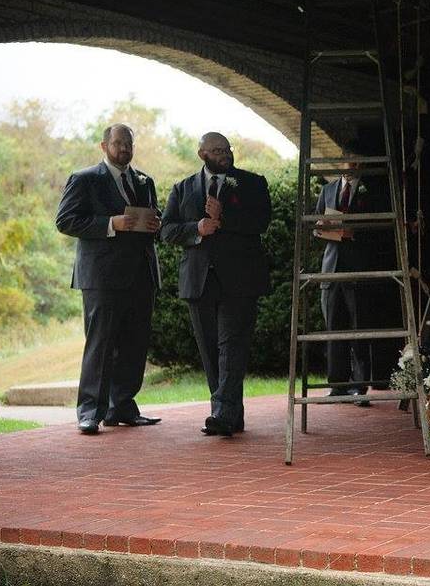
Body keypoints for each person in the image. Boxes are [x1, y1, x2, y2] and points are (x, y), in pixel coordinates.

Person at [160, 132, 271, 436]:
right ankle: (228, 414)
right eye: (218, 151)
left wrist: (224, 219)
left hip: (240, 280)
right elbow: (166, 230)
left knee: (232, 346)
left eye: (228, 150)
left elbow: (261, 221)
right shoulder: (182, 189)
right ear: (202, 154)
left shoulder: (252, 183)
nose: (225, 155)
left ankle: (222, 412)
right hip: (199, 281)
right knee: (210, 350)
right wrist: (197, 228)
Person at [55, 123, 163, 434]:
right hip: (102, 277)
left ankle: (123, 407)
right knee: (100, 345)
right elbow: (65, 220)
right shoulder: (84, 179)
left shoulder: (145, 180)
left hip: (142, 275)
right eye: (118, 144)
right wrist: (111, 223)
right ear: (104, 146)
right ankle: (90, 412)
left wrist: (156, 222)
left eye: (128, 144)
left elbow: (152, 216)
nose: (124, 149)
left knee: (135, 344)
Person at [314, 158, 389, 406]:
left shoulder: (374, 191)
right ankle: (338, 385)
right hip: (332, 268)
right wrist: (322, 228)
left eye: (355, 162)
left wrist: (354, 233)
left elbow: (381, 228)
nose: (350, 166)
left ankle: (360, 386)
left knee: (360, 328)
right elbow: (315, 225)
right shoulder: (327, 190)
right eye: (346, 161)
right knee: (334, 329)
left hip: (359, 269)